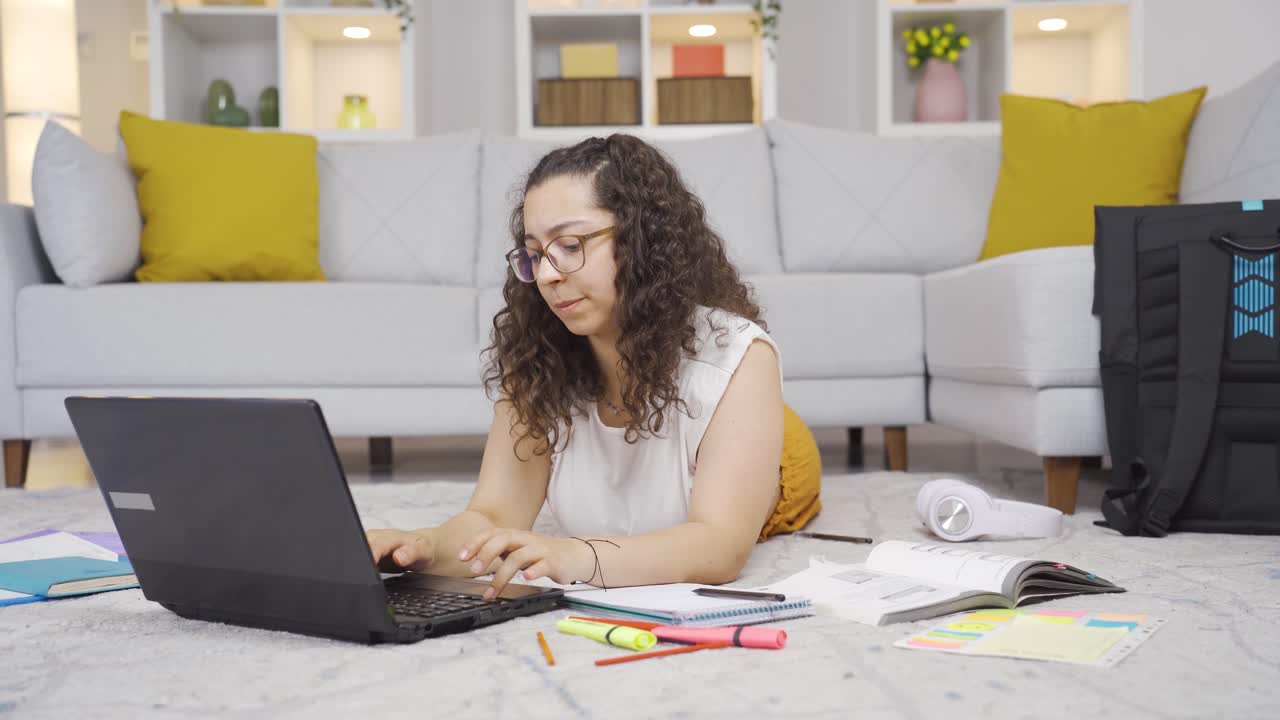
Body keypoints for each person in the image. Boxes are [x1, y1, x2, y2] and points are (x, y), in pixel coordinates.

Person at [366, 134, 821, 599]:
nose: (547, 274)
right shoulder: (538, 357)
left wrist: (575, 555)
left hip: (780, 455)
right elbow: (493, 517)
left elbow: (720, 546)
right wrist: (423, 546)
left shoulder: (739, 358)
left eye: (569, 244)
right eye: (536, 254)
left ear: (642, 240)